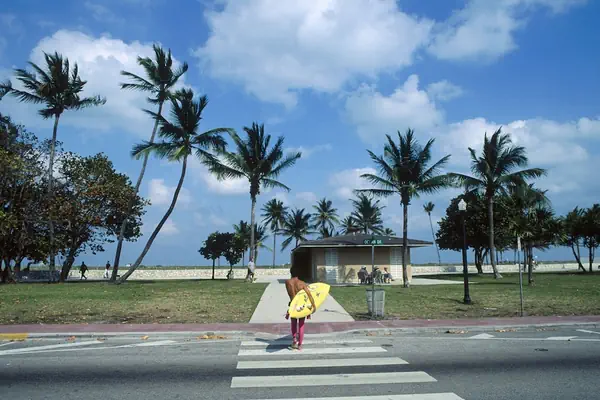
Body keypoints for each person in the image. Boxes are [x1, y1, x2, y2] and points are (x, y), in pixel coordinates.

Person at [284, 267, 316, 351]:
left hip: (293, 306)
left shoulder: (287, 282)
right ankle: (300, 345)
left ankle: (294, 340)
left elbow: (290, 295)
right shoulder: (302, 283)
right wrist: (313, 306)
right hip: (301, 307)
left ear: (291, 272)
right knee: (301, 325)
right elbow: (309, 295)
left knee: (293, 324)